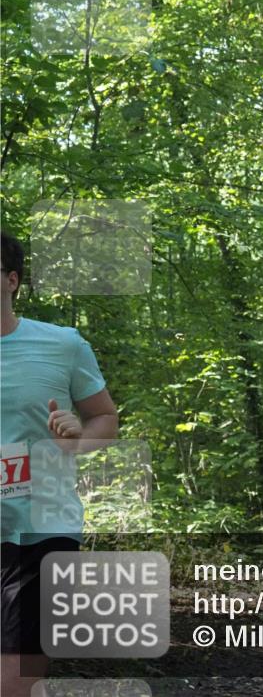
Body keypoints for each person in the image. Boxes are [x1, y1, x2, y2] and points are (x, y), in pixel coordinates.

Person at [1, 232, 119, 697]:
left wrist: (76, 443)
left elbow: (104, 417)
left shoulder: (62, 344)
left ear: (12, 280)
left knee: (15, 681)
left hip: (42, 526)